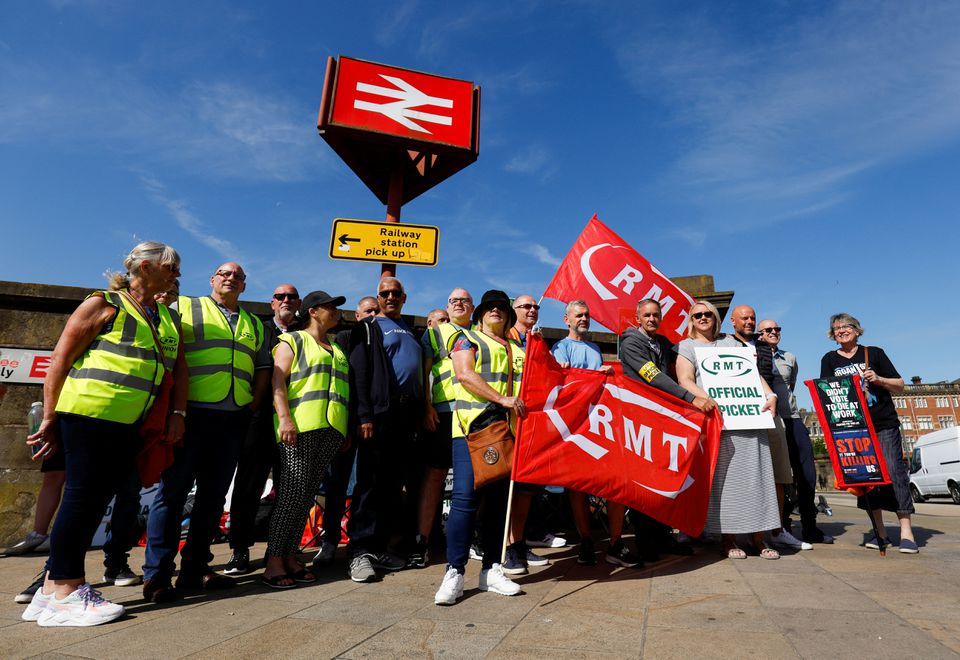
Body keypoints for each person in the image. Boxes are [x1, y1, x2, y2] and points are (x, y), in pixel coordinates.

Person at [21, 241, 186, 626]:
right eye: (170, 267)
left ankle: (49, 592)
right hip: (89, 414)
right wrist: (49, 416)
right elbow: (60, 358)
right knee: (82, 499)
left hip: (127, 423)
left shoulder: (158, 315)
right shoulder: (103, 304)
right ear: (145, 267)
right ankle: (66, 587)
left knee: (92, 503)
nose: (176, 275)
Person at [142, 262, 269, 602]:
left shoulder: (254, 323)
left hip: (232, 419)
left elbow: (261, 368)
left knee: (212, 499)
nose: (231, 278)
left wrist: (251, 407)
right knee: (172, 494)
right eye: (224, 273)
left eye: (238, 276)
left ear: (244, 286)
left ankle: (195, 569)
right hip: (190, 415)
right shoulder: (185, 306)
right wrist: (173, 410)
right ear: (212, 279)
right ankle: (157, 575)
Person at [435, 290, 526, 605]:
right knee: (465, 499)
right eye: (490, 307)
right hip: (474, 430)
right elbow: (464, 374)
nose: (496, 311)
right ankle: (455, 571)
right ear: (480, 313)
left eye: (502, 307)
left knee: (499, 504)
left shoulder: (519, 348)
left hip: (511, 432)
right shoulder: (465, 339)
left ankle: (491, 569)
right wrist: (502, 400)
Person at [675, 300, 782, 559]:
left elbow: (752, 375)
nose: (703, 317)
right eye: (697, 314)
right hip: (717, 421)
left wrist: (771, 395)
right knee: (727, 482)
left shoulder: (733, 344)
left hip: (748, 418)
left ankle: (759, 538)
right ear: (691, 319)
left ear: (715, 317)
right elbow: (684, 379)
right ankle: (728, 539)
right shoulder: (686, 346)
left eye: (707, 313)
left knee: (758, 477)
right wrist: (706, 399)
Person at [261, 291, 349, 588]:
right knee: (291, 493)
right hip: (300, 428)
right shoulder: (293, 340)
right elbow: (277, 380)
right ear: (313, 311)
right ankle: (274, 559)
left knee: (306, 494)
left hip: (329, 429)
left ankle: (290, 555)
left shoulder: (335, 348)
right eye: (331, 307)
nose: (336, 312)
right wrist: (285, 418)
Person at [619, 298, 714, 562]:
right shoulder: (631, 343)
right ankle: (646, 543)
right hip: (638, 421)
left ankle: (663, 537)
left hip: (660, 420)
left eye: (655, 315)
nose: (651, 319)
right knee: (644, 485)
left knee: (665, 480)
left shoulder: (662, 343)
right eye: (646, 315)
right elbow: (655, 377)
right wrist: (689, 397)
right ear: (637, 318)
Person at [347, 277, 423, 582]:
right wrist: (364, 415)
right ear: (378, 298)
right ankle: (359, 552)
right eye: (384, 293)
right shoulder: (368, 328)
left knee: (393, 486)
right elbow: (360, 373)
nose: (390, 297)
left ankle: (380, 548)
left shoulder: (411, 330)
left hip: (406, 417)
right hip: (378, 414)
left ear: (404, 297)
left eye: (395, 293)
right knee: (368, 484)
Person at [819, 313, 916, 553]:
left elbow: (900, 384)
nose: (841, 330)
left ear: (856, 330)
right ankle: (879, 532)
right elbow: (826, 392)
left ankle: (906, 532)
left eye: (846, 326)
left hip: (883, 423)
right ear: (832, 334)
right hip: (853, 428)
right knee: (867, 478)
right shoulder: (829, 359)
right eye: (837, 328)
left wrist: (879, 378)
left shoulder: (874, 353)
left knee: (895, 472)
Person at [553, 300, 639, 568]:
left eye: (587, 315)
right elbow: (558, 382)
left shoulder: (593, 348)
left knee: (616, 483)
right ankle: (587, 540)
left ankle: (615, 541)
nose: (584, 318)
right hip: (574, 426)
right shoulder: (559, 347)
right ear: (566, 320)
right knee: (577, 486)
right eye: (578, 315)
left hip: (599, 425)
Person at [223, 284, 300, 576]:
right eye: (280, 296)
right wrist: (253, 409)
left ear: (299, 302)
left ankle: (277, 550)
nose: (286, 301)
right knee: (248, 485)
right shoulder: (260, 329)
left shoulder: (306, 333)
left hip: (296, 420)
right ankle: (239, 550)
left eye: (291, 297)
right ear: (272, 303)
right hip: (259, 419)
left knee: (289, 488)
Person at [728, 305, 809, 552]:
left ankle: (777, 530)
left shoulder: (764, 348)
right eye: (745, 318)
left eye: (753, 318)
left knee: (780, 474)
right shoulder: (725, 345)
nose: (750, 322)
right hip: (738, 416)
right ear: (733, 322)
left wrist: (772, 397)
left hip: (769, 414)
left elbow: (780, 381)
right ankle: (736, 533)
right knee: (738, 475)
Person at [410, 289, 474, 568]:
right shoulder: (435, 334)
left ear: (472, 307)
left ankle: (470, 539)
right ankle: (421, 541)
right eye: (453, 301)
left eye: (464, 300)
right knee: (434, 476)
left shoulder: (480, 333)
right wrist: (426, 406)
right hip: (443, 412)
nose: (459, 303)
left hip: (474, 415)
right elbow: (424, 372)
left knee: (473, 479)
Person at [313, 296, 379, 568]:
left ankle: (363, 544)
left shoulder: (384, 338)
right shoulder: (344, 338)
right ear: (357, 314)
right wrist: (353, 421)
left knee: (368, 485)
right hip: (349, 424)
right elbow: (348, 381)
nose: (373, 314)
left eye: (376, 310)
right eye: (368, 311)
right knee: (337, 485)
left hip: (378, 423)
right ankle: (330, 542)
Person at [757, 319, 833, 545]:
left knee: (807, 475)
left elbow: (791, 387)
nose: (773, 332)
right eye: (768, 330)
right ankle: (781, 524)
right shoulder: (752, 356)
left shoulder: (789, 358)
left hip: (792, 419)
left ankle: (810, 527)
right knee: (778, 477)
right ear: (759, 335)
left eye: (776, 329)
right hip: (767, 421)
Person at [502, 294, 560, 576]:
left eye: (535, 306)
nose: (532, 309)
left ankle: (520, 542)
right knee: (507, 490)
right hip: (507, 424)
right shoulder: (505, 339)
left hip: (532, 425)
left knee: (525, 490)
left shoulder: (537, 342)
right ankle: (507, 548)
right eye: (526, 306)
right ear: (514, 311)